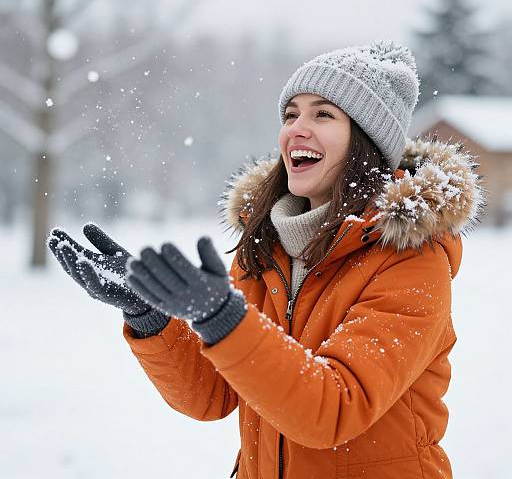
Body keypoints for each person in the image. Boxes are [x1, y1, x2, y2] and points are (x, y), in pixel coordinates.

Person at [48, 40, 485, 479]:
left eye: (323, 114)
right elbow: (213, 395)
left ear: (366, 140)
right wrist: (150, 317)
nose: (296, 128)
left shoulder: (411, 261)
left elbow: (333, 408)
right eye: (291, 113)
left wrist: (226, 318)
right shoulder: (268, 245)